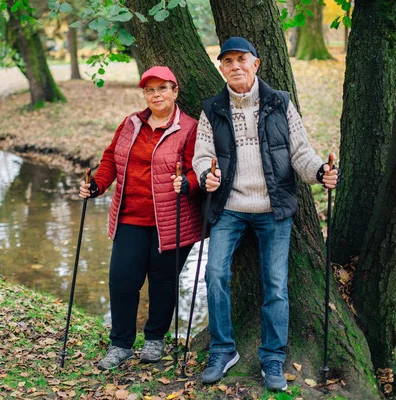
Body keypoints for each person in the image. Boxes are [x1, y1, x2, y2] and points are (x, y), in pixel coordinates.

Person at [192, 37, 340, 391]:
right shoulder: (212, 109)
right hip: (229, 207)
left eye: (241, 59)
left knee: (275, 284)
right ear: (222, 69)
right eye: (227, 61)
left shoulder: (280, 103)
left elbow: (301, 153)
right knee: (214, 275)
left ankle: (272, 357)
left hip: (274, 208)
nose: (235, 66)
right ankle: (223, 350)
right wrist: (205, 176)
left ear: (256, 64)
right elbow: (202, 154)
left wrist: (320, 172)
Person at [79, 66, 203, 370]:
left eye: (162, 88)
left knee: (163, 283)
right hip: (129, 217)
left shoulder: (190, 127)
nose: (156, 95)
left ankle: (154, 339)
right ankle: (120, 344)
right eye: (150, 90)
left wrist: (188, 182)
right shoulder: (131, 123)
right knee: (122, 281)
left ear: (175, 91)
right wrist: (97, 184)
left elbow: (199, 168)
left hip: (171, 221)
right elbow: (111, 159)